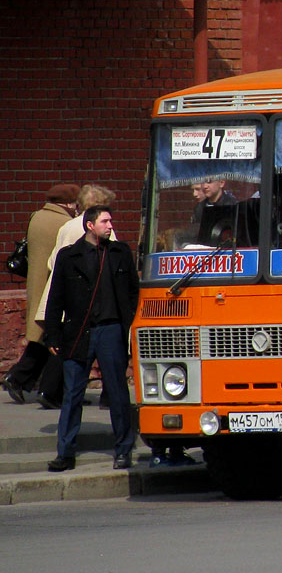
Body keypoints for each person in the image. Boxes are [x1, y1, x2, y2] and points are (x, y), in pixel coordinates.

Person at [42, 206, 139, 472]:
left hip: (111, 331)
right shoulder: (69, 256)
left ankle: (123, 449)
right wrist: (52, 332)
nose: (110, 226)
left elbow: (133, 292)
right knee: (73, 393)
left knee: (118, 393)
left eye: (111, 220)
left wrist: (126, 324)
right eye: (105, 221)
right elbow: (56, 296)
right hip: (78, 332)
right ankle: (66, 453)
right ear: (90, 225)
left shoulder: (120, 253)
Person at [31, 184, 117, 409]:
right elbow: (112, 262)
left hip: (61, 295)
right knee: (95, 350)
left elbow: (52, 261)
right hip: (89, 300)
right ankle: (106, 396)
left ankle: (50, 391)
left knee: (63, 346)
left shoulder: (67, 226)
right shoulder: (102, 231)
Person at [1, 184, 79, 405]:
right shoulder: (64, 223)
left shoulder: (36, 217)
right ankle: (41, 386)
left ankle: (19, 378)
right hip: (53, 286)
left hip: (37, 283)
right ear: (68, 203)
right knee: (54, 336)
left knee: (43, 335)